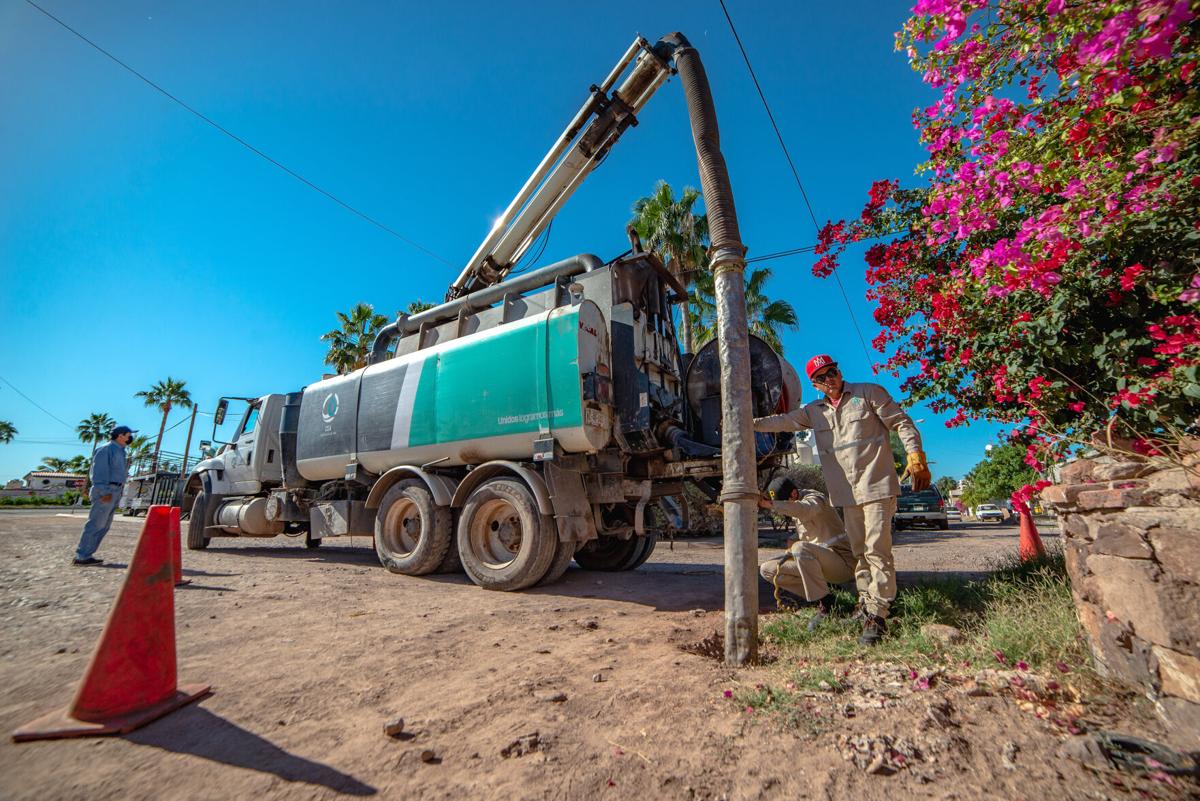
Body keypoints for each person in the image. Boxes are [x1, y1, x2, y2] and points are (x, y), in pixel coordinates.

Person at [754, 355, 930, 646]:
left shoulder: (869, 393)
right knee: (861, 552)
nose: (829, 379)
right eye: (821, 378)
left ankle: (879, 613)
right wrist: (749, 423)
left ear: (839, 371)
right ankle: (865, 603)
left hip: (877, 486)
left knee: (877, 550)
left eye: (832, 372)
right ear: (815, 384)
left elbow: (902, 423)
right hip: (847, 494)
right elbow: (783, 422)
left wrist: (915, 454)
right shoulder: (814, 412)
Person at [758, 479, 855, 631]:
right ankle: (827, 596)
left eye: (784, 502)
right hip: (820, 564)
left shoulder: (815, 498)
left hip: (843, 564)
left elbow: (805, 509)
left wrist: (768, 504)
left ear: (794, 494)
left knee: (800, 548)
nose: (784, 507)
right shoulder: (797, 508)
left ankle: (826, 607)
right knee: (768, 569)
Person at [72, 425, 136, 566]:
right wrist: (104, 491)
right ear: (120, 436)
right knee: (96, 523)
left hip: (115, 490)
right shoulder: (106, 449)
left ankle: (87, 555)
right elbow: (99, 472)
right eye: (128, 435)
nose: (130, 438)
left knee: (104, 525)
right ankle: (81, 556)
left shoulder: (120, 451)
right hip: (106, 490)